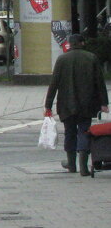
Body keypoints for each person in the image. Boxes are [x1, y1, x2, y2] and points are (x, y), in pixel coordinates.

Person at [44, 34, 109, 176]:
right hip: (87, 104)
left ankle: (71, 164)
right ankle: (84, 166)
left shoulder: (62, 59)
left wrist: (48, 105)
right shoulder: (91, 58)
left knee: (69, 132)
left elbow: (54, 83)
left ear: (70, 44)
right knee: (84, 132)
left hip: (66, 104)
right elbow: (100, 82)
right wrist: (104, 102)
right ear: (82, 43)